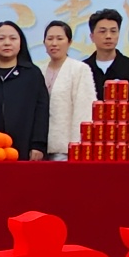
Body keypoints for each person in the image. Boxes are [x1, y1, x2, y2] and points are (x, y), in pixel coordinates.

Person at [0, 21, 49, 162]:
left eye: (13, 38)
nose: (7, 43)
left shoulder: (33, 74)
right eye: (1, 39)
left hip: (25, 147)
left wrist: (38, 145)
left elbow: (41, 111)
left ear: (21, 44)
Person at [40, 20, 95, 160]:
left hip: (67, 149)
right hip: (41, 148)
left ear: (69, 42)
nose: (54, 43)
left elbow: (85, 111)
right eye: (50, 39)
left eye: (60, 38)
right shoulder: (39, 70)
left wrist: (78, 145)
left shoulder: (79, 69)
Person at [82, 7, 129, 115]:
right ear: (92, 37)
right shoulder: (83, 69)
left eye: (113, 31)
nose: (108, 36)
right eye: (102, 31)